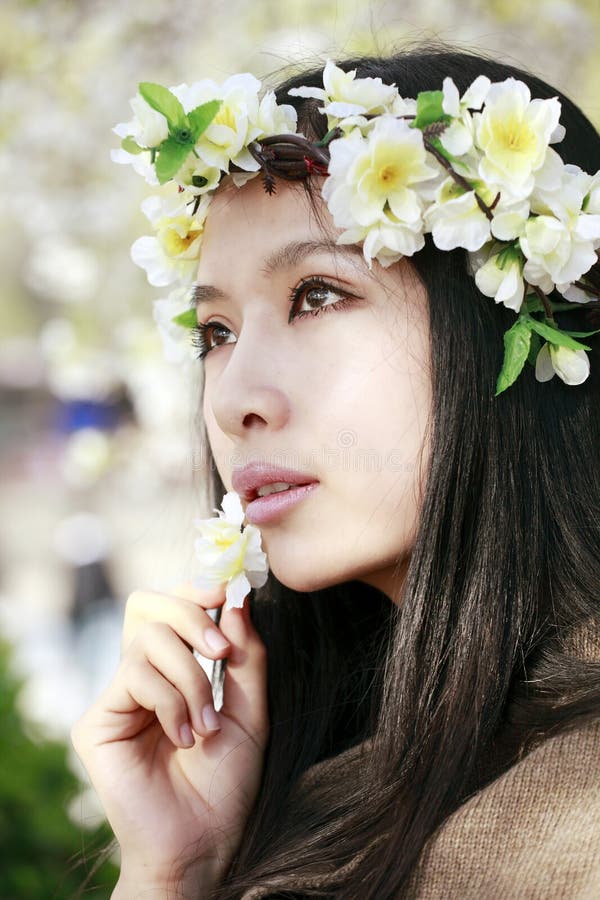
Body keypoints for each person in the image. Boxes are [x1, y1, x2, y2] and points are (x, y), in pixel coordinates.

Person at [71, 45, 600, 898]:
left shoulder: (574, 831)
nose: (234, 397)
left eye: (318, 294)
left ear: (514, 318)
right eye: (216, 333)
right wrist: (173, 869)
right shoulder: (332, 781)